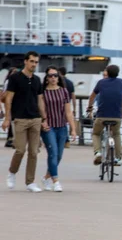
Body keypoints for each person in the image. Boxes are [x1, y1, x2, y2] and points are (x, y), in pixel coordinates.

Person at [3, 51, 49, 192]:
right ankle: (12, 172)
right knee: (20, 150)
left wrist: (44, 118)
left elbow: (40, 100)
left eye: (36, 62)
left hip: (35, 119)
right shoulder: (15, 78)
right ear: (25, 61)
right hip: (20, 119)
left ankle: (30, 182)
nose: (34, 64)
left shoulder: (37, 80)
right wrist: (7, 118)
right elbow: (8, 98)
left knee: (34, 152)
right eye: (32, 61)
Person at [40, 66, 77, 192]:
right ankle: (56, 181)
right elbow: (41, 109)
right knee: (53, 153)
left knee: (59, 155)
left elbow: (68, 112)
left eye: (55, 75)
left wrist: (73, 129)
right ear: (46, 78)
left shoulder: (64, 91)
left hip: (62, 127)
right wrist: (42, 121)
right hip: (48, 127)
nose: (53, 78)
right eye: (50, 76)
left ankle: (46, 178)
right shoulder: (43, 92)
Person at [87, 64, 122, 166]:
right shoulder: (121, 82)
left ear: (107, 73)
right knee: (116, 134)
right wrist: (121, 109)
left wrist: (89, 107)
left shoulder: (101, 82)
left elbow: (92, 96)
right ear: (117, 73)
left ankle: (98, 152)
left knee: (95, 133)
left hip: (102, 116)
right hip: (116, 116)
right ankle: (118, 157)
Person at [58, 67, 76, 148]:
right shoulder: (70, 83)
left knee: (59, 124)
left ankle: (63, 140)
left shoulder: (58, 82)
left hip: (58, 105)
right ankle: (66, 141)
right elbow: (73, 96)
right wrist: (74, 108)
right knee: (65, 124)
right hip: (67, 105)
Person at [2, 67, 19, 148]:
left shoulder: (18, 81)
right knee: (12, 121)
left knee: (14, 121)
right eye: (13, 72)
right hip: (10, 103)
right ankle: (11, 139)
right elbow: (5, 95)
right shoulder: (8, 82)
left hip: (16, 104)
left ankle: (13, 139)